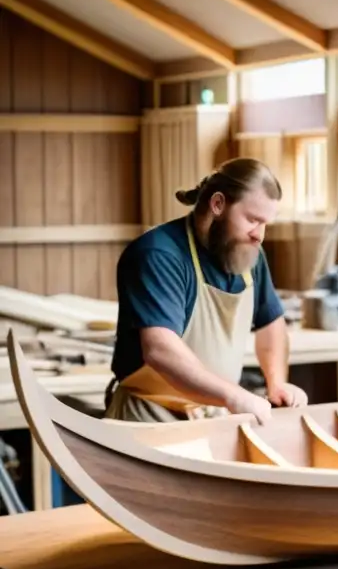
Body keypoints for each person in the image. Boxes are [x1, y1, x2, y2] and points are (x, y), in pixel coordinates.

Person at [105, 158, 308, 426]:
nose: (260, 235)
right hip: (148, 419)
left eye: (266, 223)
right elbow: (160, 350)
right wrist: (233, 396)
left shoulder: (249, 255)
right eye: (252, 220)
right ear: (218, 204)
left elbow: (271, 324)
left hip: (210, 416)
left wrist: (277, 382)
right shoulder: (159, 255)